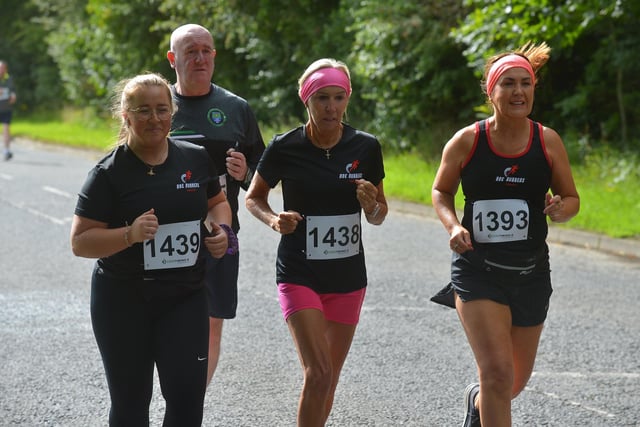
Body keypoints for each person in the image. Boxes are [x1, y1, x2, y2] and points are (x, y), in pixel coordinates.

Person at [70, 73, 235, 426]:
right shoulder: (108, 174)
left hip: (186, 297)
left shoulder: (195, 158)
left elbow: (218, 202)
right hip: (123, 300)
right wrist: (128, 235)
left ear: (172, 113)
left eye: (162, 109)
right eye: (143, 110)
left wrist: (222, 231)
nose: (154, 118)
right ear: (125, 116)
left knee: (188, 401)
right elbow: (80, 241)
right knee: (131, 406)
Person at [430, 42, 580, 427]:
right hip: (478, 270)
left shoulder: (547, 141)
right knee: (497, 374)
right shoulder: (467, 141)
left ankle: (477, 402)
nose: (518, 92)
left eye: (526, 84)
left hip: (531, 273)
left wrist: (561, 208)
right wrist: (454, 225)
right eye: (508, 84)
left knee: (511, 381)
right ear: (490, 92)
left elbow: (571, 197)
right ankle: (486, 395)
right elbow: (440, 191)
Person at [245, 58, 388, 426]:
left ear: (347, 99)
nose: (331, 107)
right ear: (306, 100)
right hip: (299, 271)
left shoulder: (366, 147)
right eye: (322, 98)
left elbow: (379, 214)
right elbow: (253, 197)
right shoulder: (284, 147)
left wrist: (371, 206)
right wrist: (275, 219)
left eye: (339, 97)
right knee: (319, 372)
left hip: (348, 276)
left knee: (329, 380)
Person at [166, 23, 265, 385]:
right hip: (163, 237)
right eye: (191, 51)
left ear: (215, 57)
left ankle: (190, 407)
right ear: (172, 59)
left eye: (206, 50)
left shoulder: (235, 108)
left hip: (220, 235)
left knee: (209, 327)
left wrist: (245, 174)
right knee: (164, 324)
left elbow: (263, 169)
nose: (200, 58)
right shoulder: (158, 105)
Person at [0, 60, 17, 161]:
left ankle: (6, 150)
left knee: (6, 129)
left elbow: (13, 90)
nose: (1, 70)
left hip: (6, 108)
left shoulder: (9, 79)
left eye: (3, 68)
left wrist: (13, 96)